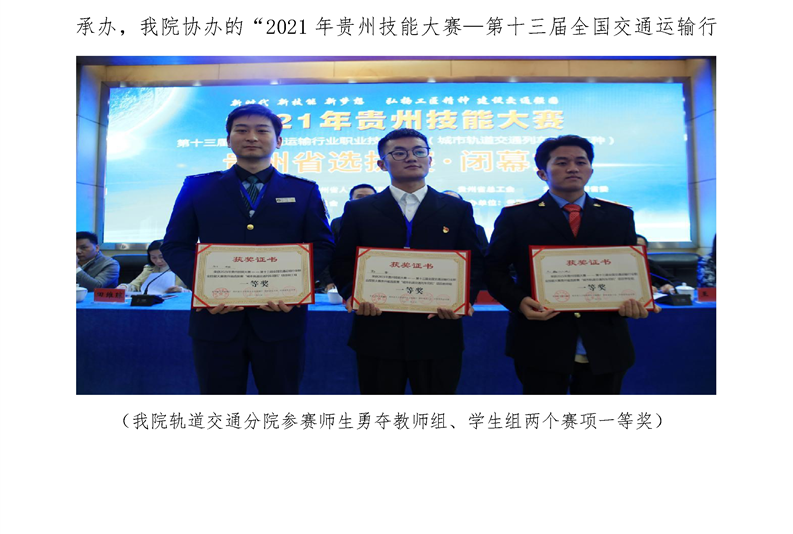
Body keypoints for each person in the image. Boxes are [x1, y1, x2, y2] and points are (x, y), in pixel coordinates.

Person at [162, 103, 334, 395]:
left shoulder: (303, 190)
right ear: (228, 140)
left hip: (281, 318)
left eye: (262, 131)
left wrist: (295, 289)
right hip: (216, 319)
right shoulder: (197, 187)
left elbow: (322, 245)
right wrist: (205, 288)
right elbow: (176, 244)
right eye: (241, 130)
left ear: (278, 141)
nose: (251, 137)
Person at [486, 134, 655, 395]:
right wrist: (519, 302)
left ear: (591, 170)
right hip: (540, 338)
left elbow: (626, 269)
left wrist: (637, 299)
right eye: (562, 162)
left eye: (581, 162)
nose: (573, 168)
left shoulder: (619, 216)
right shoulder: (517, 217)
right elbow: (493, 270)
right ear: (542, 173)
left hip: (606, 340)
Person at [331, 130, 484, 394]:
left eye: (419, 151)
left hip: (438, 328)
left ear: (429, 159)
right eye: (399, 153)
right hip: (377, 329)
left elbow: (476, 261)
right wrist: (353, 295)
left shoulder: (457, 209)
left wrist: (462, 299)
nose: (411, 157)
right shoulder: (359, 210)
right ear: (382, 164)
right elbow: (342, 260)